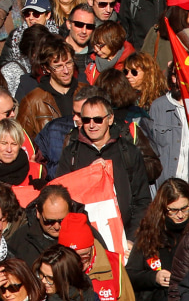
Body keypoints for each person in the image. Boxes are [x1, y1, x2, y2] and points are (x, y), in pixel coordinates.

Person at [55, 96, 151, 239]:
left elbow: (142, 201)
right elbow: (61, 195)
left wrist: (131, 239)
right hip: (84, 238)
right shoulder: (71, 153)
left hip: (124, 239)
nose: (92, 125)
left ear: (110, 119)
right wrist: (89, 175)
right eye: (86, 120)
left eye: (98, 119)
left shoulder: (128, 152)